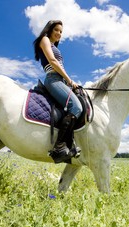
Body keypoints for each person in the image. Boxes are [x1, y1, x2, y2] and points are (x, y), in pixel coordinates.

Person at [33, 20, 82, 163]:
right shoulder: (44, 39)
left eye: (61, 32)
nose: (59, 33)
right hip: (53, 79)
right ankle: (59, 147)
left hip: (60, 80)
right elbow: (53, 62)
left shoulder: (55, 46)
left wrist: (69, 82)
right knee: (76, 107)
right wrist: (70, 80)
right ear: (49, 30)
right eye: (57, 30)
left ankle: (69, 145)